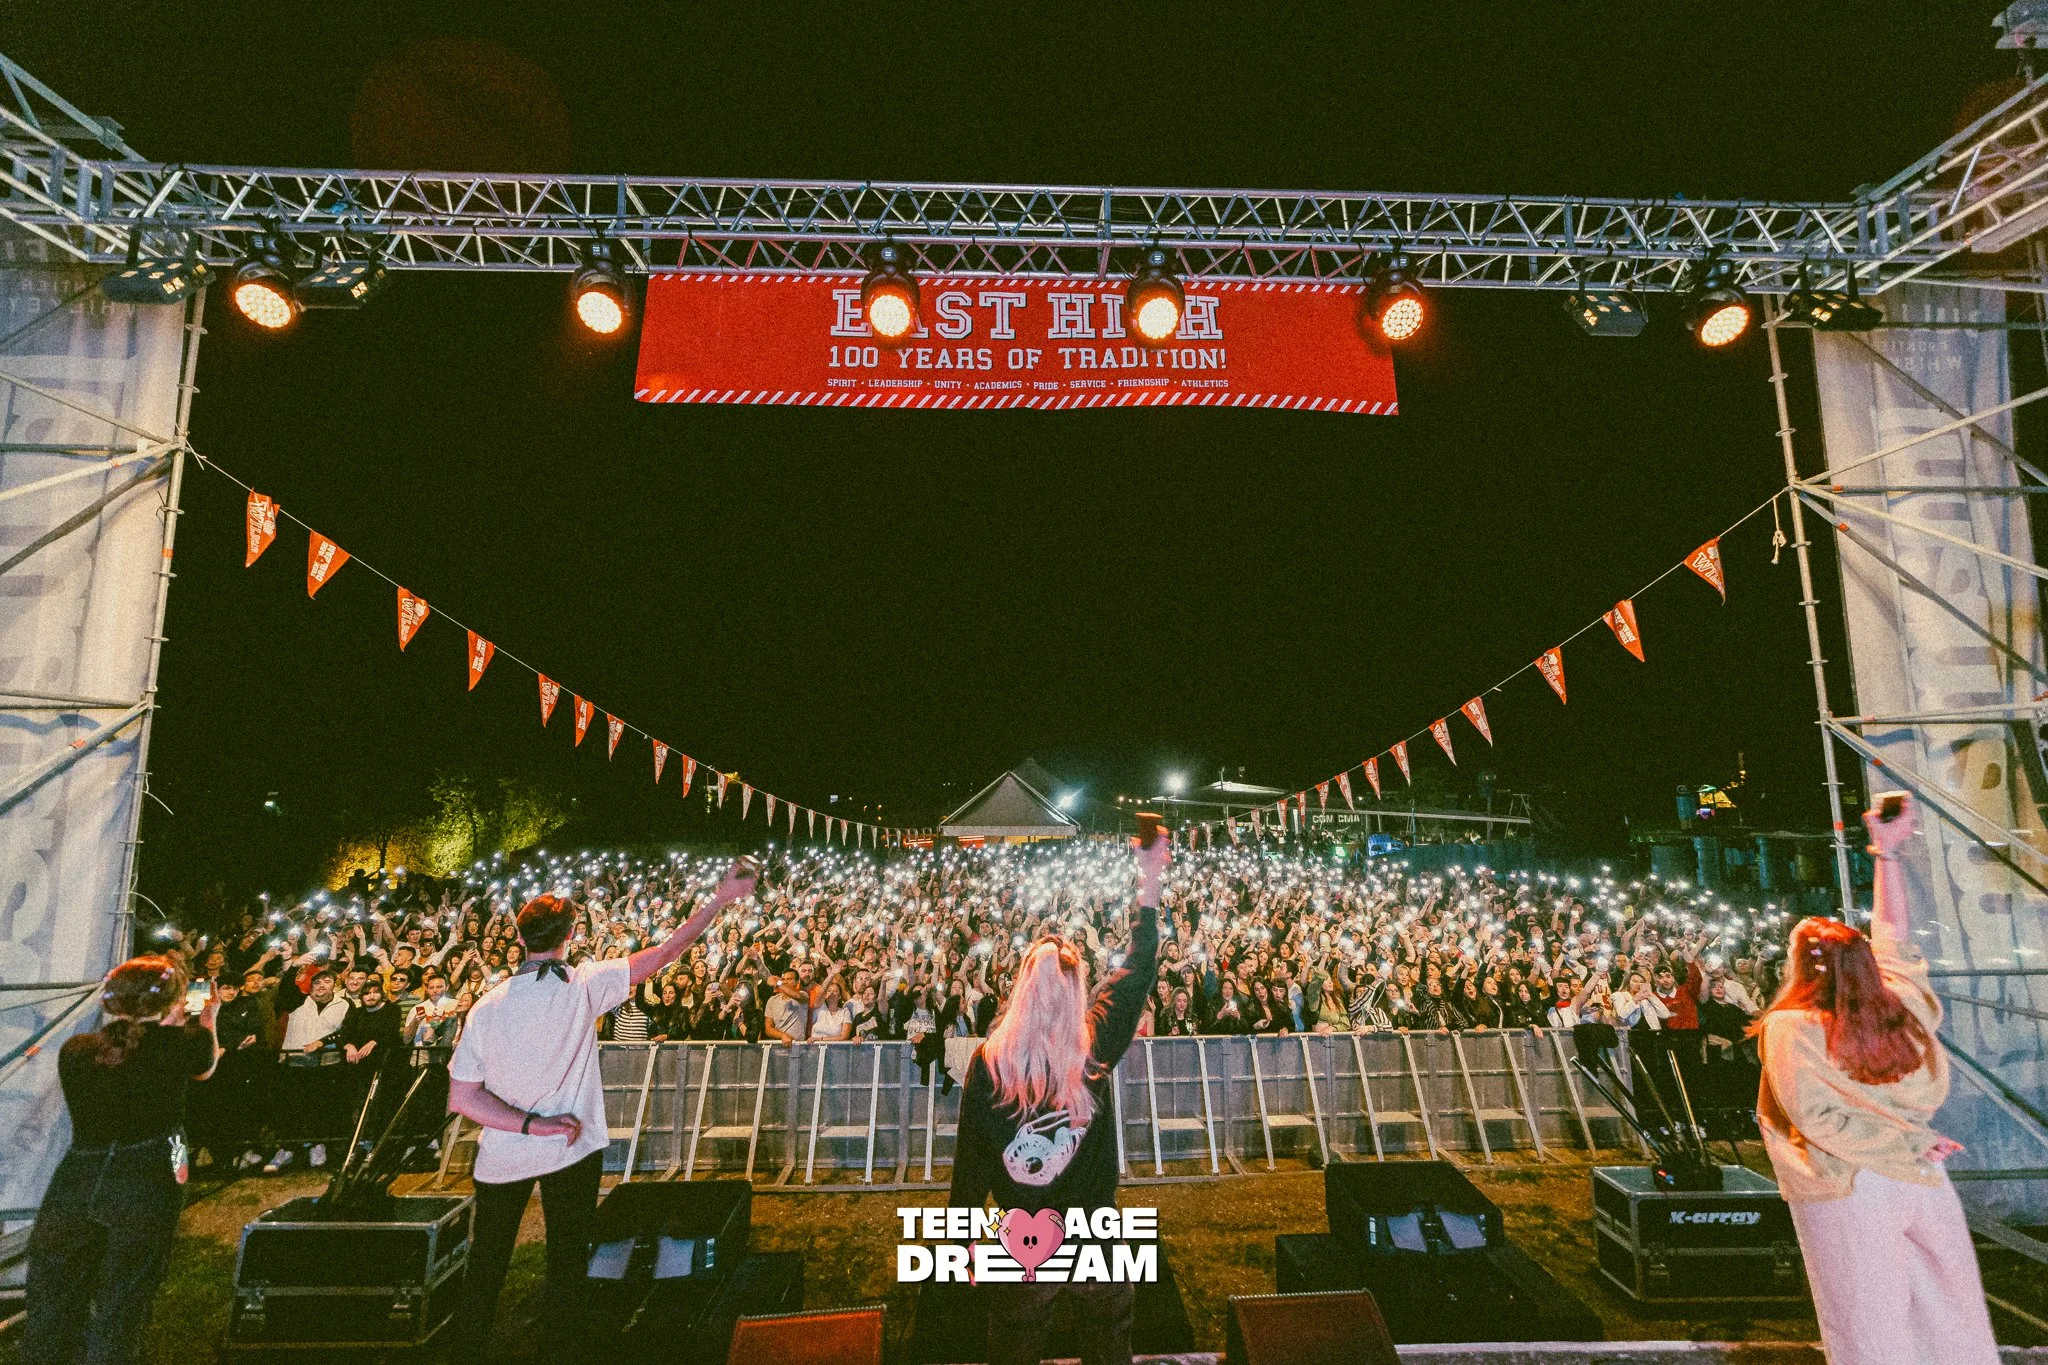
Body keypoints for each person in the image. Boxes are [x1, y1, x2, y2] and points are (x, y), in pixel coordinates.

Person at [446, 858, 758, 1364]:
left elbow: (463, 1098)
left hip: (503, 1155)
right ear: (571, 935)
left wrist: (527, 1125)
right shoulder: (585, 984)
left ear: (520, 938)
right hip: (570, 1147)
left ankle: (467, 1351)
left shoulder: (487, 1006)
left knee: (486, 1264)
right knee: (567, 1263)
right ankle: (559, 1353)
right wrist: (721, 899)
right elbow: (667, 952)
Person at [1753, 795, 1997, 1365]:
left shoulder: (1790, 1027)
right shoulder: (1903, 1005)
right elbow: (1892, 936)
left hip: (1846, 1183)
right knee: (1951, 1317)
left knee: (1867, 1327)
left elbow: (1816, 1117)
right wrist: (1886, 854)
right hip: (1923, 1174)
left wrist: (1900, 1144)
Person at [948, 826, 1165, 1365]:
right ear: (1075, 990)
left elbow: (971, 1161)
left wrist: (963, 1241)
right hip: (1094, 1236)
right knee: (1107, 1338)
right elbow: (1139, 966)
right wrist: (1149, 879)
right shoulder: (1094, 1047)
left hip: (1021, 1238)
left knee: (1015, 1341)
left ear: (1021, 989)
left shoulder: (989, 1062)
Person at [25, 956, 219, 1365]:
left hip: (77, 1178)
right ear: (171, 1002)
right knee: (124, 1297)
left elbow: (130, 1051)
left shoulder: (77, 1050)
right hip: (145, 1179)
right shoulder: (183, 1043)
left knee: (54, 1297)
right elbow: (205, 1070)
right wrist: (208, 1019)